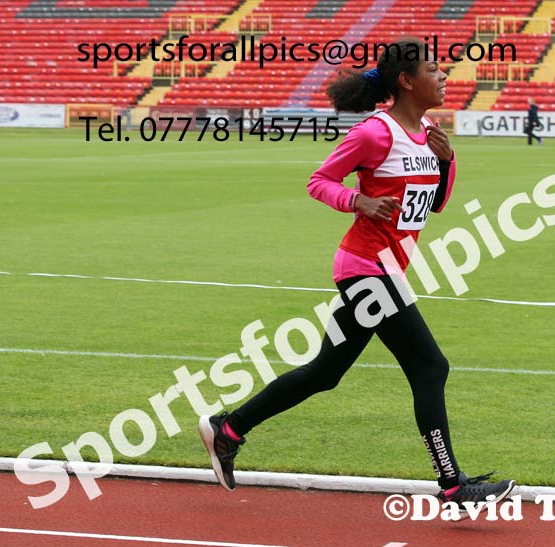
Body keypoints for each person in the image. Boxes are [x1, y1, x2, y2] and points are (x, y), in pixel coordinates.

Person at [198, 38, 515, 514]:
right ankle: (452, 486)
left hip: (387, 268)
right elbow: (318, 181)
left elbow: (434, 207)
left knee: (324, 373)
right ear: (407, 81)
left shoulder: (428, 131)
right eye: (434, 69)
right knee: (431, 367)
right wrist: (358, 200)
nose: (445, 75)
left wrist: (447, 163)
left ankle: (229, 429)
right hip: (366, 269)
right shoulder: (375, 133)